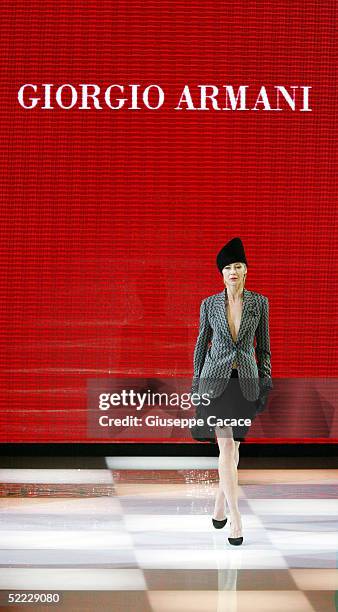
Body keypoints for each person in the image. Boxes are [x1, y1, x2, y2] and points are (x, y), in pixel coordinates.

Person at [191, 237, 272, 545]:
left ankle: (219, 507)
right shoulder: (210, 304)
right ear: (221, 274)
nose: (233, 271)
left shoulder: (259, 303)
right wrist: (196, 386)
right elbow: (201, 345)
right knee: (226, 448)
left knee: (234, 451)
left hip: (246, 382)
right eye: (227, 267)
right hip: (216, 382)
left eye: (238, 265)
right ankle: (236, 519)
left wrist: (265, 382)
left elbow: (263, 349)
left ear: (246, 270)